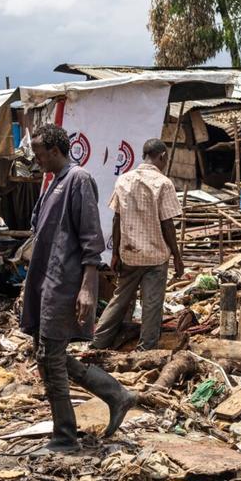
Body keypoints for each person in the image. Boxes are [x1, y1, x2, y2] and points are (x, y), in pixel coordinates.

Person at [20, 123, 136, 453]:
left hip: (65, 285)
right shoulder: (53, 183)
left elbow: (90, 240)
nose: (37, 159)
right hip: (45, 283)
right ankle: (116, 394)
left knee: (50, 358)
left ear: (55, 151)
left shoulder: (78, 180)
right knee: (48, 357)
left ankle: (64, 437)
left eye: (40, 154)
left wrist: (88, 287)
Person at [91, 138, 184, 352]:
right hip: (155, 256)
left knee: (119, 299)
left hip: (129, 254)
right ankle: (146, 350)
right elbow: (167, 223)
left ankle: (98, 342)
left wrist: (115, 253)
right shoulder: (163, 183)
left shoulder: (124, 180)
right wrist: (177, 257)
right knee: (152, 305)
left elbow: (116, 218)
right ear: (162, 156)